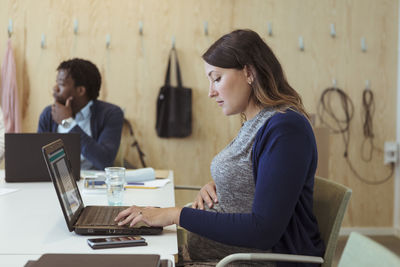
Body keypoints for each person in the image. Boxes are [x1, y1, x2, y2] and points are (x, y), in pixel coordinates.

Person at [114, 29, 325, 266]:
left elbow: (264, 230)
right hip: (217, 257)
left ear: (249, 72)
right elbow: (259, 179)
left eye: (217, 78)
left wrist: (175, 215)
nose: (211, 92)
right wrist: (219, 186)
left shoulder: (286, 128)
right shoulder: (255, 121)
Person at [38, 58, 124, 170]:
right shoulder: (49, 114)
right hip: (57, 183)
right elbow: (39, 161)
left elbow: (104, 161)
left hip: (95, 184)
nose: (55, 88)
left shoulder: (111, 114)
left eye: (61, 84)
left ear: (80, 91)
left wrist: (68, 123)